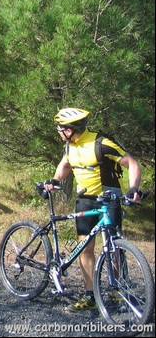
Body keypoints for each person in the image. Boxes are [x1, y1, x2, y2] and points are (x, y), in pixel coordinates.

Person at [44, 108, 142, 313]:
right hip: (85, 200)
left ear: (71, 130)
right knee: (85, 247)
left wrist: (133, 189)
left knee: (114, 247)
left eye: (60, 128)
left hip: (109, 199)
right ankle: (90, 295)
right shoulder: (70, 146)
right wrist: (55, 180)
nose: (58, 131)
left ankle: (118, 291)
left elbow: (132, 163)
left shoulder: (102, 143)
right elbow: (65, 165)